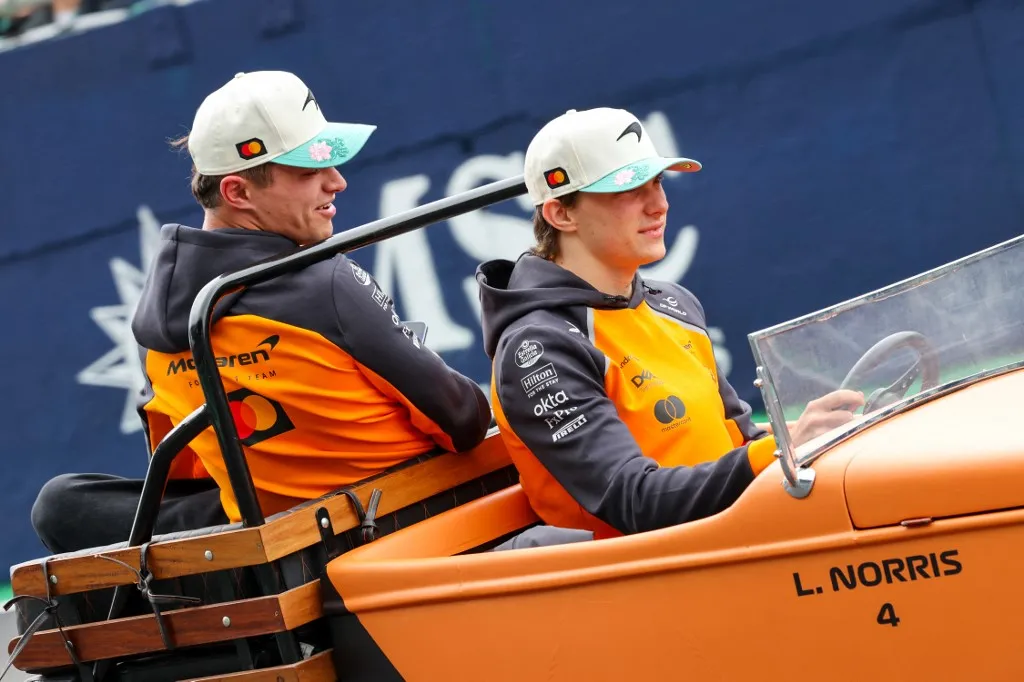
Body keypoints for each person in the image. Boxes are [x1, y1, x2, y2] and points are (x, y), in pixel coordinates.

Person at [32, 70, 492, 554]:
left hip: (264, 549)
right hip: (408, 525)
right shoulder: (328, 283)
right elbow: (462, 421)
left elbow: (184, 470)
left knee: (62, 502)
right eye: (308, 170)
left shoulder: (155, 327)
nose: (336, 182)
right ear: (237, 193)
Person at [476, 107, 863, 540]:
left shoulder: (675, 304)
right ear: (561, 215)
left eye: (657, 181)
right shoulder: (538, 348)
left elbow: (737, 440)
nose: (659, 204)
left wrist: (805, 436)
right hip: (640, 585)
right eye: (627, 189)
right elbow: (634, 501)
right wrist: (777, 450)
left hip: (736, 546)